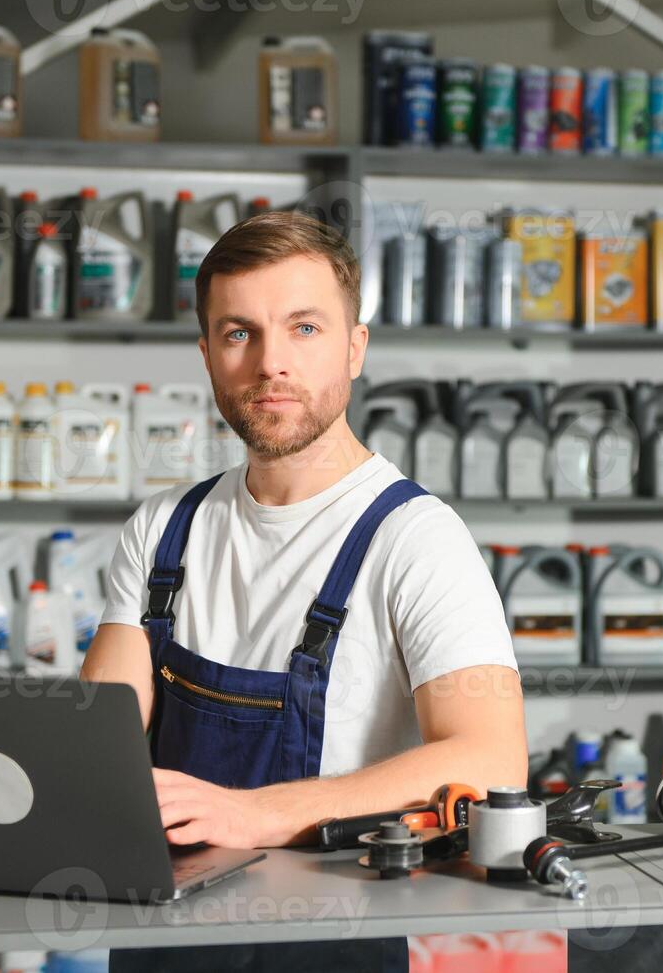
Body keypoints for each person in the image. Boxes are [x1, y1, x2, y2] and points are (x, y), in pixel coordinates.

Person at [82, 211, 527, 971]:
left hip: (329, 937)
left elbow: (491, 759)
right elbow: (98, 741)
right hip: (166, 935)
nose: (269, 363)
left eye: (304, 329)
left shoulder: (415, 538)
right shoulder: (164, 528)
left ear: (355, 347)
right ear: (207, 355)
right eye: (238, 333)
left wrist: (251, 814)